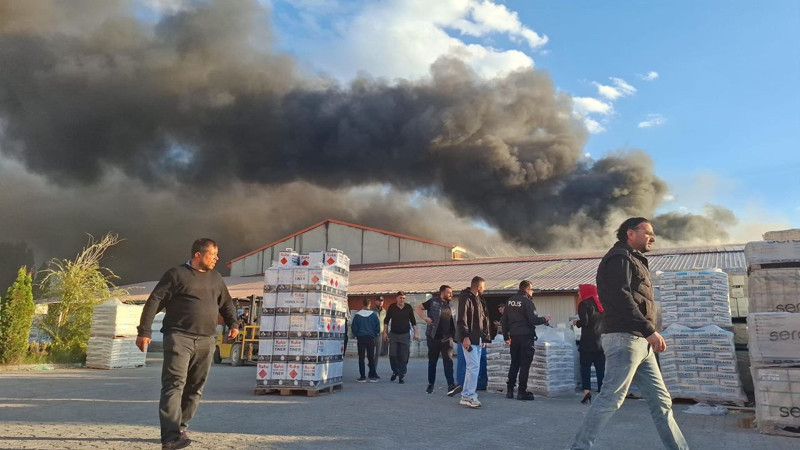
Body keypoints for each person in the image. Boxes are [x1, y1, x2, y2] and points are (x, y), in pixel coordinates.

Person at [571, 218, 688, 450]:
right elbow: (622, 296)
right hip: (625, 338)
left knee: (661, 400)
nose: (652, 238)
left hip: (639, 341)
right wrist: (649, 330)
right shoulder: (619, 258)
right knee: (610, 398)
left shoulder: (632, 258)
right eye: (648, 232)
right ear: (630, 233)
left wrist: (647, 333)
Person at [136, 238, 239, 450]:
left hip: (206, 340)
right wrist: (144, 331)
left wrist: (234, 324)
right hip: (178, 337)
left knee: (195, 387)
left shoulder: (216, 278)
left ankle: (180, 427)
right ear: (198, 255)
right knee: (174, 384)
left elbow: (226, 303)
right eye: (213, 254)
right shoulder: (176, 275)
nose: (217, 258)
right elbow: (154, 300)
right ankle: (171, 437)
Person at [501, 280, 551, 401]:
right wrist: (545, 319)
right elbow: (533, 320)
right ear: (527, 290)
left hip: (514, 337)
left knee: (514, 363)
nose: (532, 292)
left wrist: (506, 337)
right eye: (532, 290)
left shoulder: (509, 301)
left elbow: (504, 321)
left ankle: (510, 390)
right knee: (525, 364)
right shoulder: (527, 302)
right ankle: (522, 392)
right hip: (526, 337)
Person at [455, 276, 490, 408]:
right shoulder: (466, 298)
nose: (484, 289)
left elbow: (482, 319)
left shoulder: (478, 299)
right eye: (484, 287)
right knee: (473, 367)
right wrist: (465, 336)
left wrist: (484, 337)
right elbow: (462, 319)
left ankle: (466, 395)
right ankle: (469, 396)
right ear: (479, 287)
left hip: (478, 337)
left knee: (473, 367)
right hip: (469, 338)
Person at [415, 285, 456, 394]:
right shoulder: (433, 302)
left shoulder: (451, 306)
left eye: (451, 293)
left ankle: (451, 385)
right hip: (433, 337)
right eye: (449, 292)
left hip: (447, 338)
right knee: (432, 362)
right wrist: (425, 318)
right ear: (442, 293)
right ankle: (431, 384)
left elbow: (454, 322)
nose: (451, 295)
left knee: (448, 361)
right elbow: (418, 308)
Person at [573, 284, 605, 404]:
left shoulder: (584, 304)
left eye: (580, 291)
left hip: (587, 342)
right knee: (600, 369)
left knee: (585, 367)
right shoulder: (600, 304)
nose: (579, 294)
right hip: (601, 342)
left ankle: (587, 392)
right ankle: (602, 392)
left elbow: (585, 322)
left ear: (585, 292)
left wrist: (577, 322)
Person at [383, 291, 417, 384]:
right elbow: (386, 320)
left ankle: (401, 375)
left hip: (405, 335)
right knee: (393, 354)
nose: (402, 300)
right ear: (396, 298)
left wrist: (415, 333)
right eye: (400, 298)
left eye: (403, 298)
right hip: (393, 334)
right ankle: (395, 371)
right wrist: (385, 333)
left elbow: (413, 321)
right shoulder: (392, 307)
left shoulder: (408, 307)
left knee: (404, 356)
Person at [351, 298, 380, 382]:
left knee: (361, 357)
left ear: (363, 304)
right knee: (371, 357)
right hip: (370, 338)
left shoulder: (357, 315)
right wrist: (374, 334)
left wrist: (357, 334)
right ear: (370, 305)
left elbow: (354, 327)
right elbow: (377, 327)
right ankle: (372, 376)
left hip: (361, 338)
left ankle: (362, 376)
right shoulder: (373, 315)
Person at [372, 296, 387, 369]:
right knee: (371, 352)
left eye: (382, 301)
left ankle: (374, 369)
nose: (381, 302)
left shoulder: (384, 311)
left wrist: (385, 333)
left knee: (377, 353)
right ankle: (371, 366)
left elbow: (385, 323)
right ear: (376, 301)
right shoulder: (371, 311)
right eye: (379, 301)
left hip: (380, 334)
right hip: (371, 334)